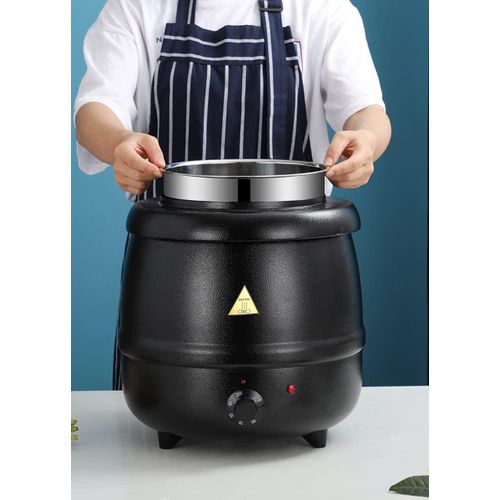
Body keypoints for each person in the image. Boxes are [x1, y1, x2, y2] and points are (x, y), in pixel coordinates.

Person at [75, 0, 391, 389]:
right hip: (174, 263)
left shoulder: (321, 8)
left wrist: (365, 141)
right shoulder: (136, 6)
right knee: (162, 401)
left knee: (303, 397)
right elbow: (95, 109)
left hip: (292, 261)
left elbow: (366, 111)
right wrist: (117, 142)